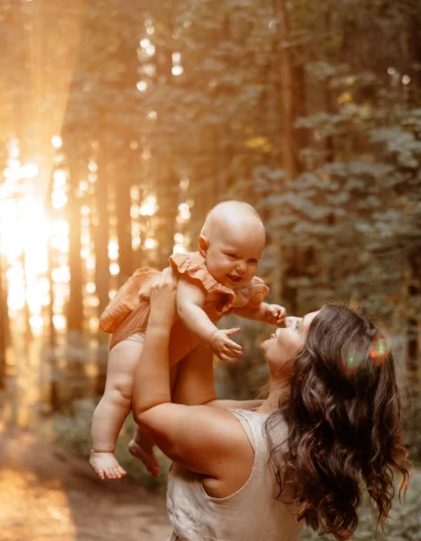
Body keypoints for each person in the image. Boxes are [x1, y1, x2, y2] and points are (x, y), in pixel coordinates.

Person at [126, 269, 411, 541]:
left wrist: (161, 321)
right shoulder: (298, 434)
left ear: (308, 369)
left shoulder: (239, 440)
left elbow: (150, 411)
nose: (289, 319)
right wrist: (203, 314)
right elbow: (198, 405)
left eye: (299, 328)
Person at [90, 201, 287, 480]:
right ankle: (101, 450)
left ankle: (141, 444)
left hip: (169, 343)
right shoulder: (194, 272)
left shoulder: (233, 282)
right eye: (232, 255)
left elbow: (243, 305)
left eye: (252, 260)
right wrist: (212, 336)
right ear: (204, 247)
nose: (241, 267)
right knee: (122, 390)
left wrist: (266, 313)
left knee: (159, 399)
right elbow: (187, 308)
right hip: (140, 333)